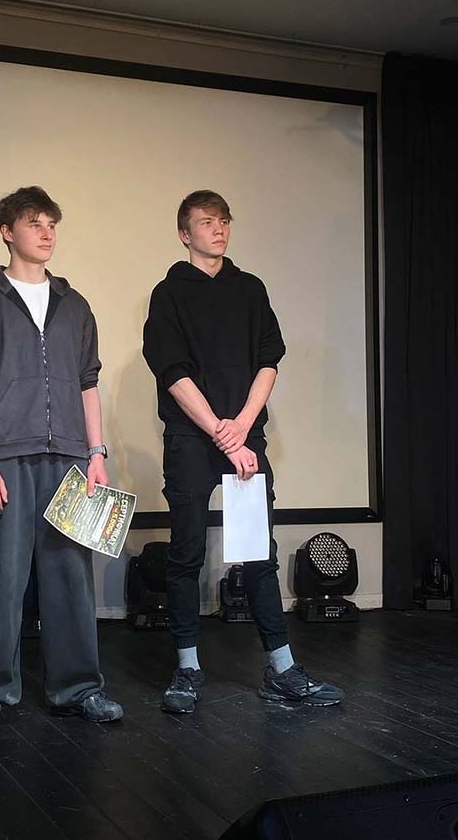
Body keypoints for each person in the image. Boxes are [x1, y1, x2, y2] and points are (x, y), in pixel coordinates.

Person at [142, 189, 344, 713]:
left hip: (244, 438)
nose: (219, 229)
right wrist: (218, 431)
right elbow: (172, 373)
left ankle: (282, 669)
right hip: (191, 439)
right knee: (186, 553)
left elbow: (268, 361)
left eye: (225, 221)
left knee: (257, 555)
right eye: (207, 222)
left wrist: (242, 428)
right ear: (184, 233)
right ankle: (187, 668)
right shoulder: (168, 294)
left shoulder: (250, 289)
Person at [0, 186, 123, 739]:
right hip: (4, 459)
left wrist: (96, 453)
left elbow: (88, 384)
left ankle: (79, 688)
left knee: (70, 580)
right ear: (7, 231)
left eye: (51, 224)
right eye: (33, 223)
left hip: (69, 459)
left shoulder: (75, 304)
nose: (46, 233)